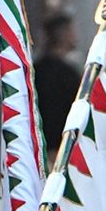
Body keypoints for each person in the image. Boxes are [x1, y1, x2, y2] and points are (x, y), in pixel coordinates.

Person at [33, 12, 81, 158]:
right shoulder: (68, 75)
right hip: (62, 150)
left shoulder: (35, 71)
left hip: (38, 149)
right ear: (64, 34)